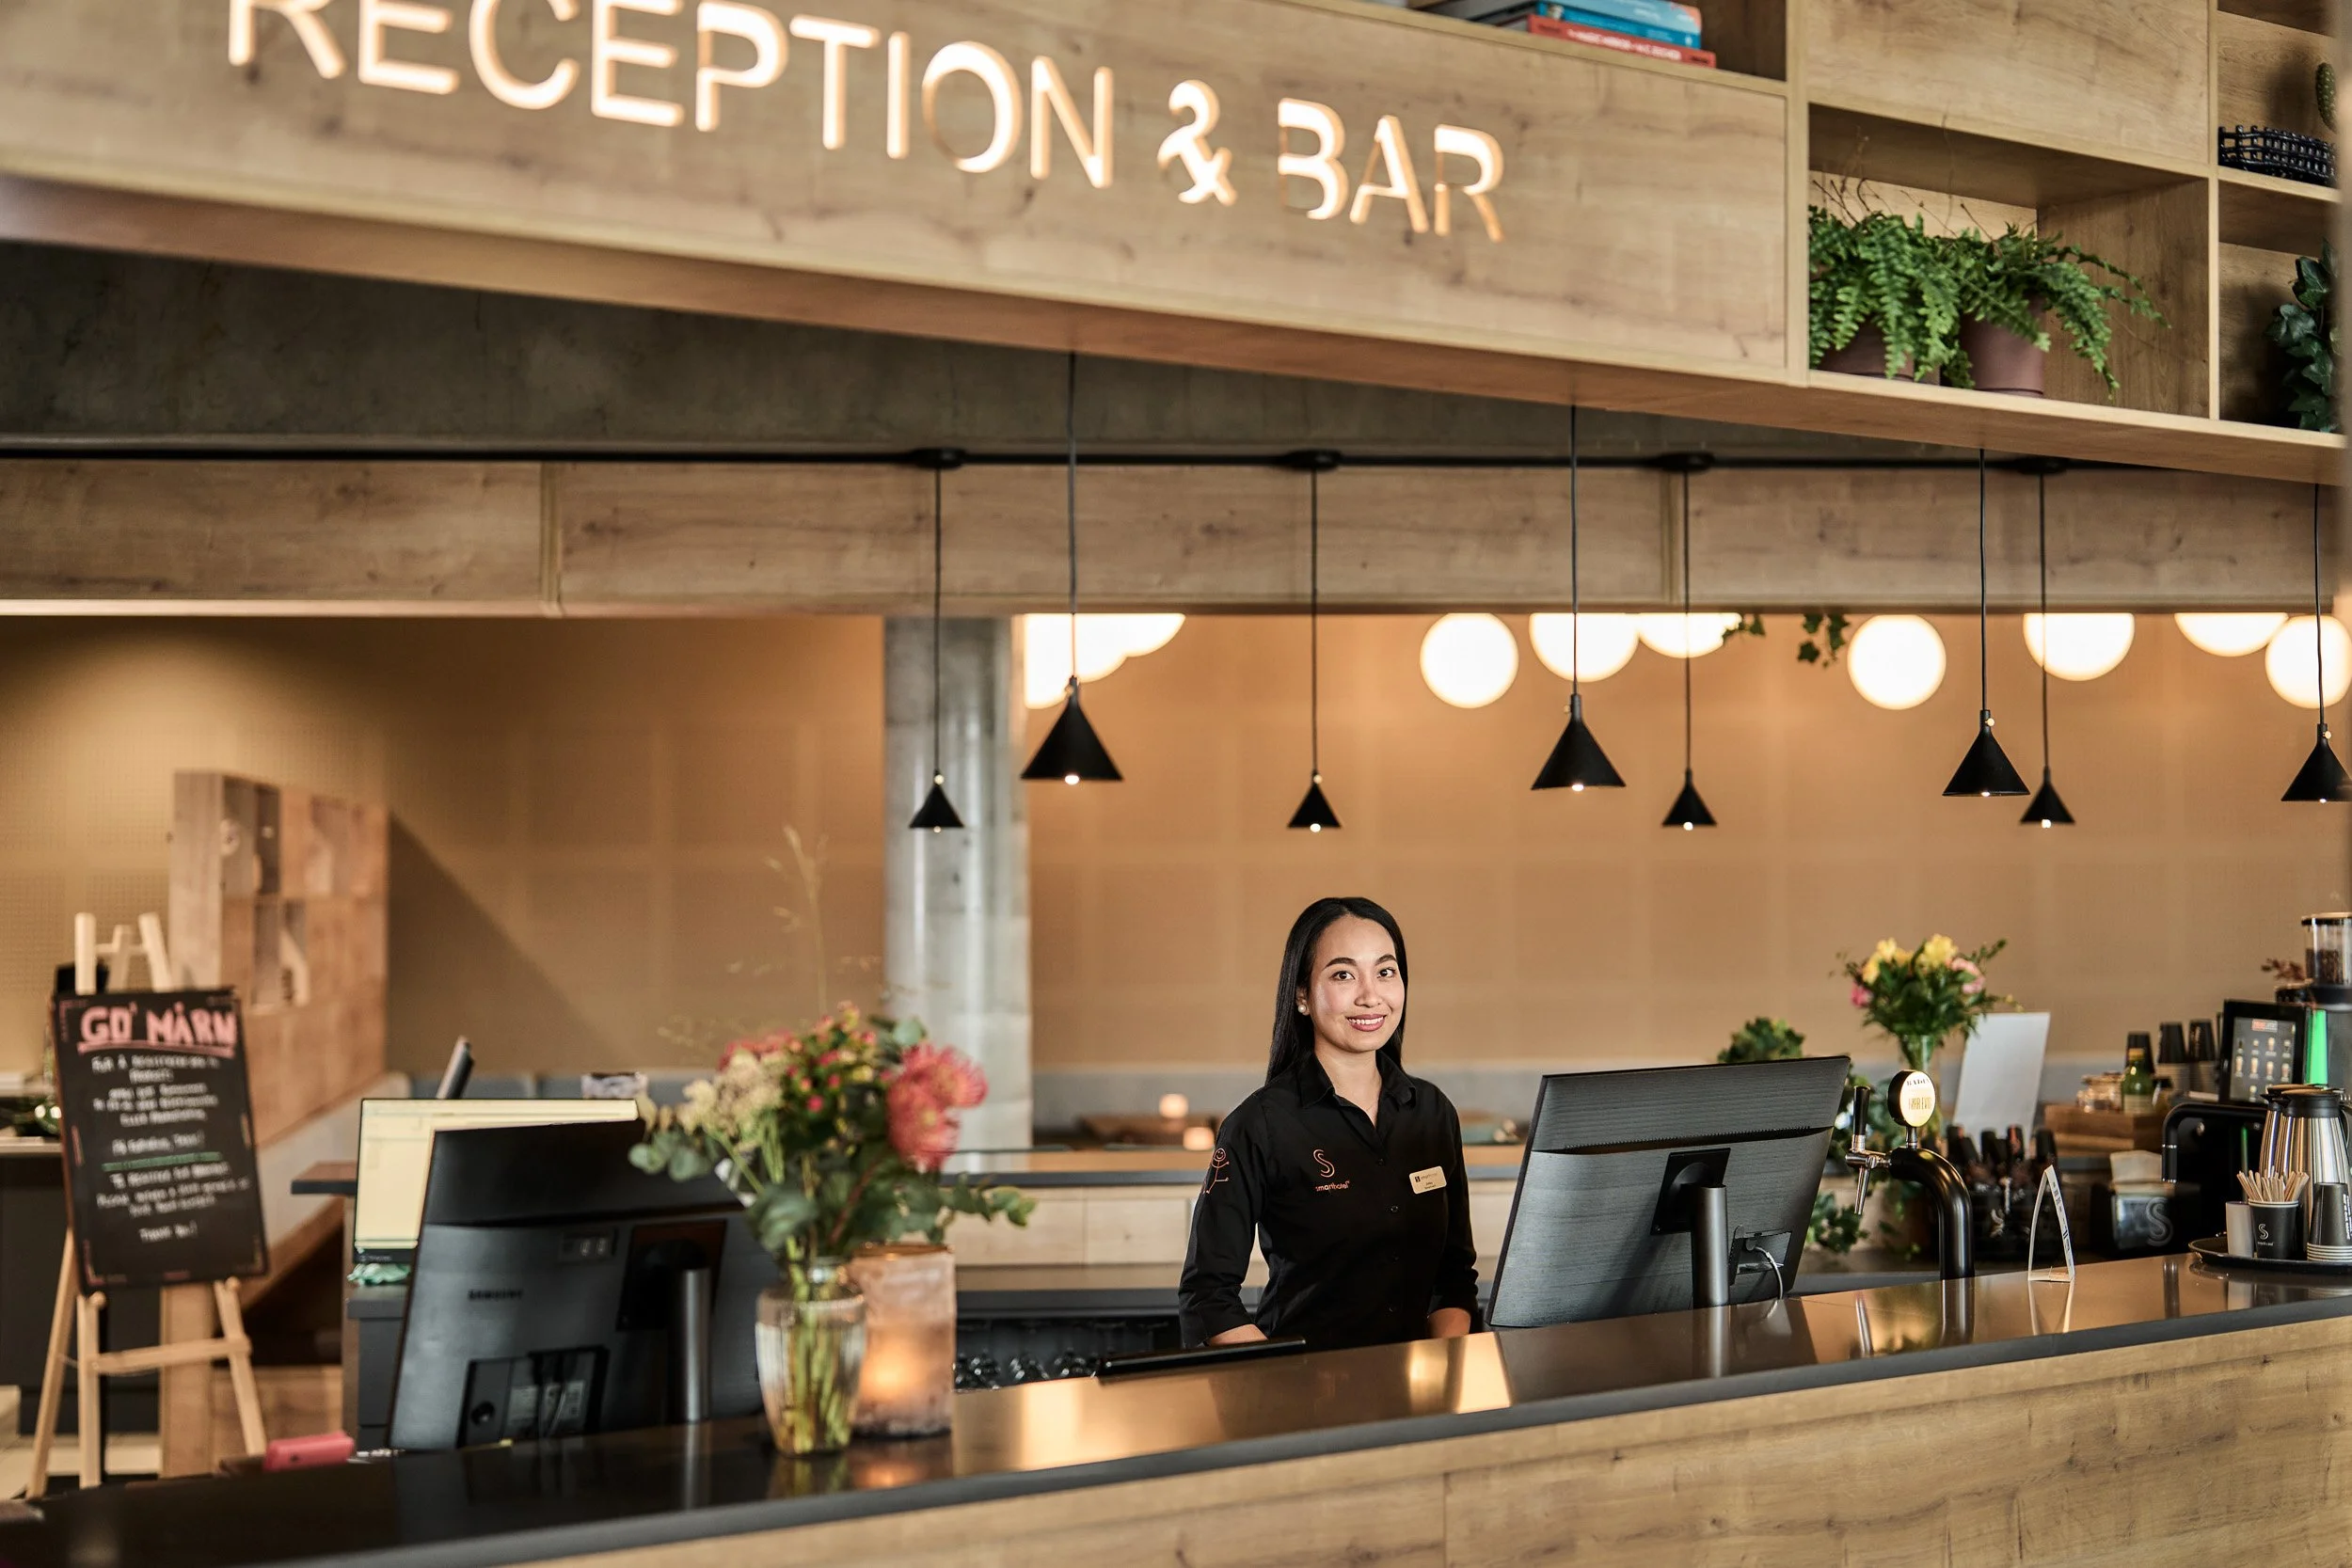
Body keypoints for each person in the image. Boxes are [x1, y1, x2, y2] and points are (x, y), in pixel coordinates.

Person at [1178, 895, 1478, 1350]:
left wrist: (1444, 1364)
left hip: (1422, 1397)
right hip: (1306, 1396)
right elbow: (1208, 1296)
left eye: (1385, 971)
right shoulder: (1259, 1125)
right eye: (1343, 974)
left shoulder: (1432, 1113)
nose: (1370, 995)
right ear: (1302, 996)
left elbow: (1454, 1278)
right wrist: (1283, 1380)